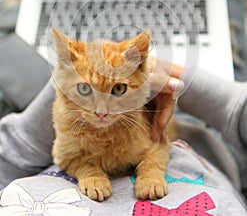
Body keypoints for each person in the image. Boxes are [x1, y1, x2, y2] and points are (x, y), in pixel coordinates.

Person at [0, 58, 246, 215]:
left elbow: (9, 159)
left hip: (54, 139)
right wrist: (176, 80)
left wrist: (67, 81)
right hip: (198, 136)